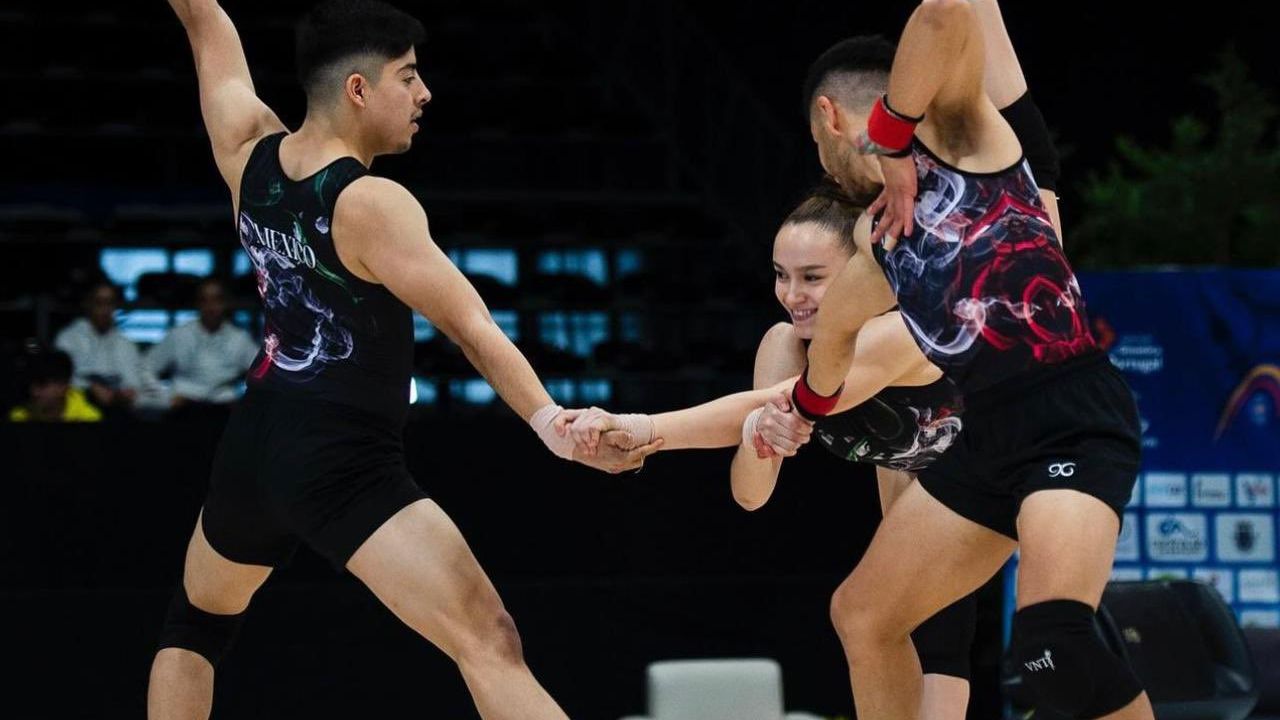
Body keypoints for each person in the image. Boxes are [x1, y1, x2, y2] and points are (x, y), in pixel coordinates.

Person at [148, 2, 658, 718]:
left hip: (253, 447)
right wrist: (552, 425)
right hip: (341, 460)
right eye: (408, 76)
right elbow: (471, 325)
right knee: (488, 640)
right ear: (358, 89)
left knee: (195, 625)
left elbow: (204, 21)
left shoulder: (246, 150)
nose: (425, 95)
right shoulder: (370, 203)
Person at [779, 2, 1151, 719]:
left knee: (1053, 644)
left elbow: (945, 12)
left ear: (830, 120)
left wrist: (890, 141)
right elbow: (832, 342)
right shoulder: (875, 237)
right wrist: (801, 411)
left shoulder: (957, 131)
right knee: (862, 614)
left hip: (1070, 417)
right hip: (987, 441)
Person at [144, 278, 259, 413]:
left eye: (217, 300)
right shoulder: (179, 335)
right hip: (183, 408)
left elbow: (263, 375)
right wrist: (166, 397)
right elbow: (146, 367)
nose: (210, 306)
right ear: (197, 304)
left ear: (226, 303)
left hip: (224, 409)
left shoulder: (239, 339)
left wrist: (243, 399)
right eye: (204, 300)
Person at [54, 281, 145, 415]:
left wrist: (127, 392)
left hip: (117, 409)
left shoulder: (126, 343)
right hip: (79, 409)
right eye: (99, 302)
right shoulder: (68, 338)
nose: (105, 309)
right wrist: (90, 388)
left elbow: (134, 382)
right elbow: (59, 379)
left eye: (109, 303)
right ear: (88, 303)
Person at [8, 349, 103, 422]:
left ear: (62, 386)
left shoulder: (88, 419)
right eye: (32, 385)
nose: (34, 392)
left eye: (42, 385)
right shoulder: (19, 418)